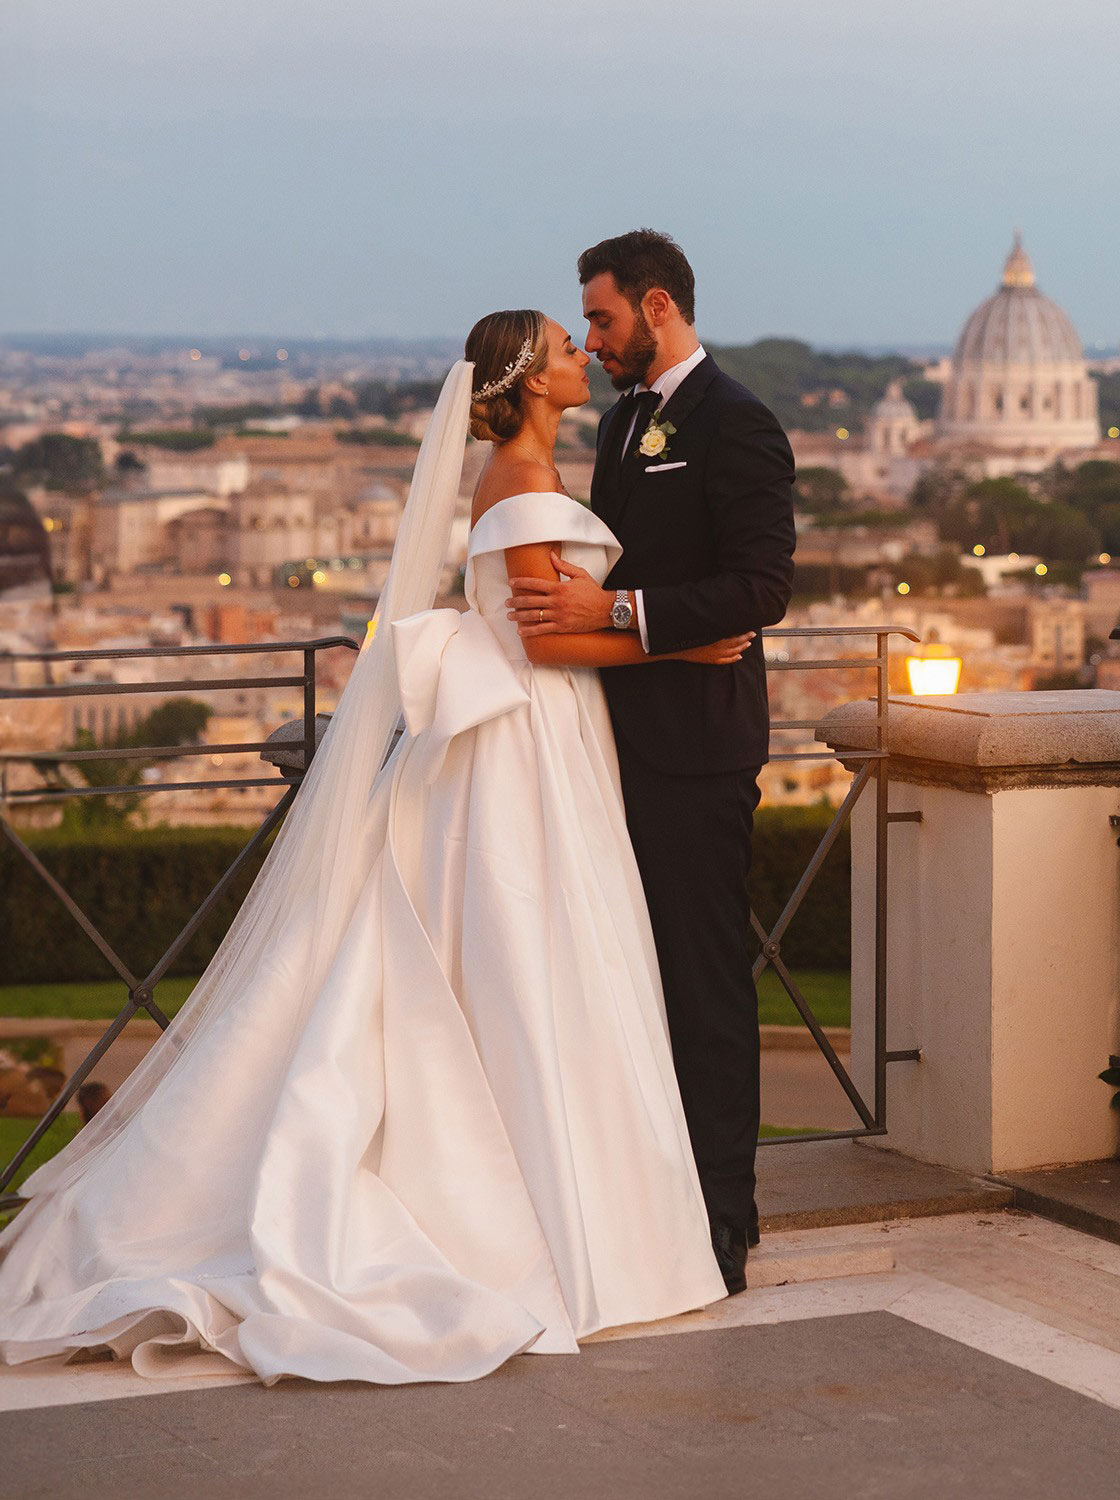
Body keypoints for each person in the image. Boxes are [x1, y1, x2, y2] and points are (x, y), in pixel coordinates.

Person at [0, 311, 752, 1387]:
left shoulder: (523, 468)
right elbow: (540, 636)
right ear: (532, 378)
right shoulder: (522, 483)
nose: (582, 353)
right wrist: (675, 631)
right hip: (529, 734)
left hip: (537, 731)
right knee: (537, 960)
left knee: (527, 958)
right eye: (563, 344)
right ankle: (570, 1224)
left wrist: (621, 617)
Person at [505, 231, 796, 1294]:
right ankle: (655, 1197)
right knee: (630, 981)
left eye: (603, 319)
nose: (592, 338)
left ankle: (724, 1219)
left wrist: (623, 612)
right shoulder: (625, 420)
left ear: (658, 306)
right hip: (608, 747)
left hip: (696, 754)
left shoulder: (738, 423)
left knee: (704, 984)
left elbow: (762, 587)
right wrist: (635, 626)